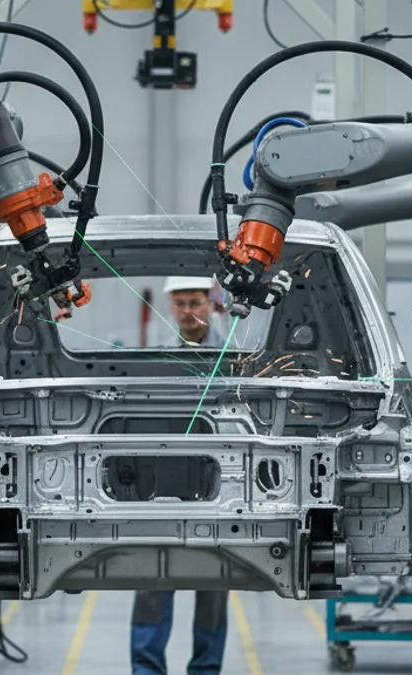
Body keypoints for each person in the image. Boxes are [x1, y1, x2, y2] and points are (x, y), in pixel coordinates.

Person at [129, 277, 229, 675]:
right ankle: (146, 669)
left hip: (219, 486)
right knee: (152, 581)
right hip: (165, 485)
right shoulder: (157, 358)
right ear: (170, 305)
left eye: (196, 303)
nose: (189, 312)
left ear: (210, 304)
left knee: (214, 588)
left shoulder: (232, 357)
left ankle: (206, 670)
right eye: (182, 304)